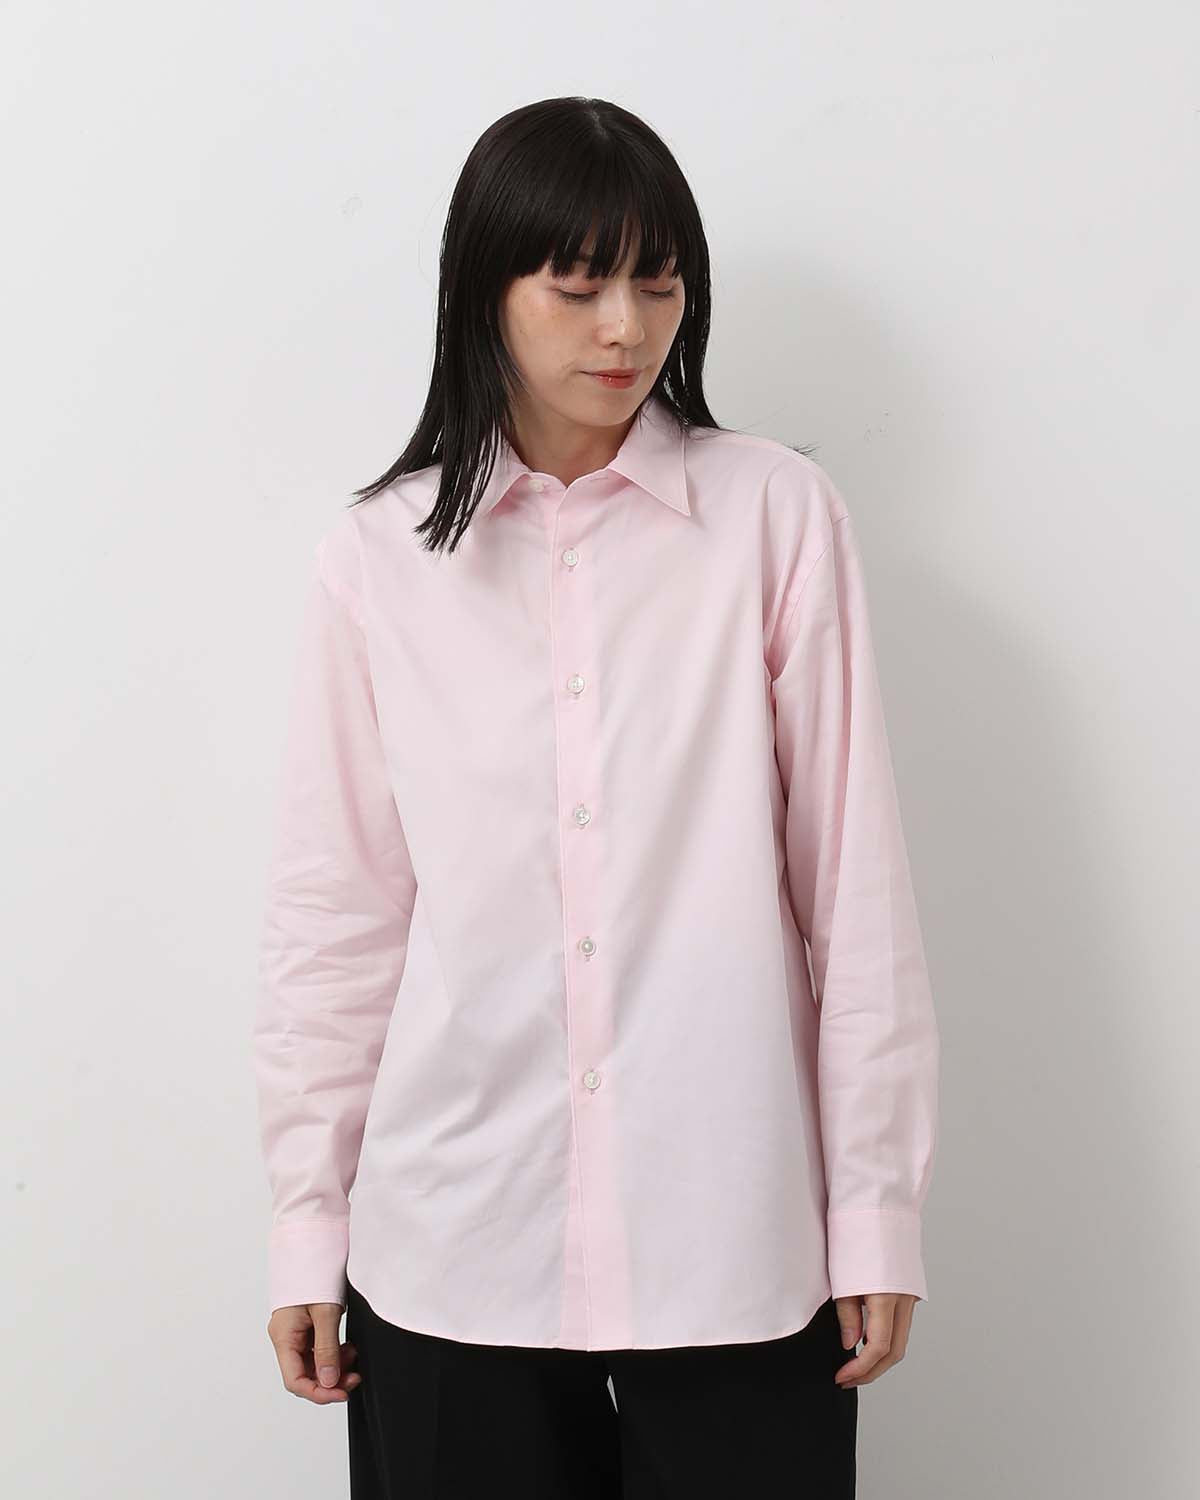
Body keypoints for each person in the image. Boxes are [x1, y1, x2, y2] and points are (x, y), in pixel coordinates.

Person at [251, 95, 940, 1499]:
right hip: (452, 1244)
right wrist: (306, 1224)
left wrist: (874, 1209)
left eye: (661, 284)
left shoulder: (775, 519)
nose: (627, 328)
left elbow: (853, 893)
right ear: (484, 293)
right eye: (576, 288)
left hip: (734, 1241)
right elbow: (338, 919)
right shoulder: (379, 560)